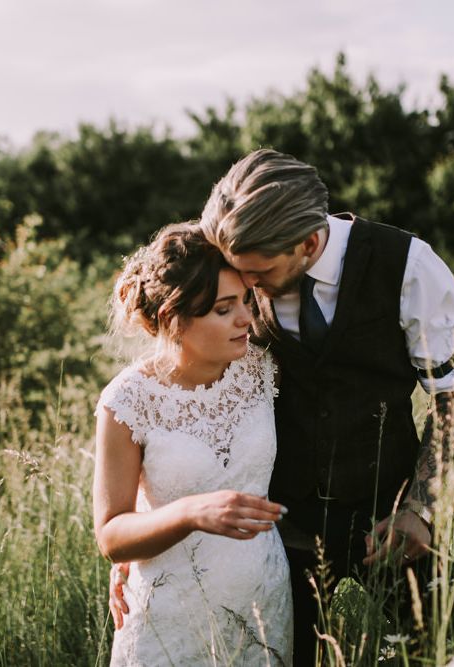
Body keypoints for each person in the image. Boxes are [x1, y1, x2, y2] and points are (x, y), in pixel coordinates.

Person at [110, 149, 454, 663]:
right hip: (277, 528)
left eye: (261, 273)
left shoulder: (408, 266)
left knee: (453, 642)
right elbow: (184, 373)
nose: (248, 287)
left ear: (308, 242)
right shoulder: (237, 261)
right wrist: (143, 546)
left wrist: (421, 509)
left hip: (387, 515)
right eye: (240, 275)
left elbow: (451, 396)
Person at [94, 222, 293, 666]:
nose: (246, 319)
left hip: (262, 597)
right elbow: (111, 535)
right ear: (174, 319)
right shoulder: (127, 401)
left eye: (245, 301)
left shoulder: (263, 370)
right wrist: (190, 512)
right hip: (169, 611)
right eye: (224, 309)